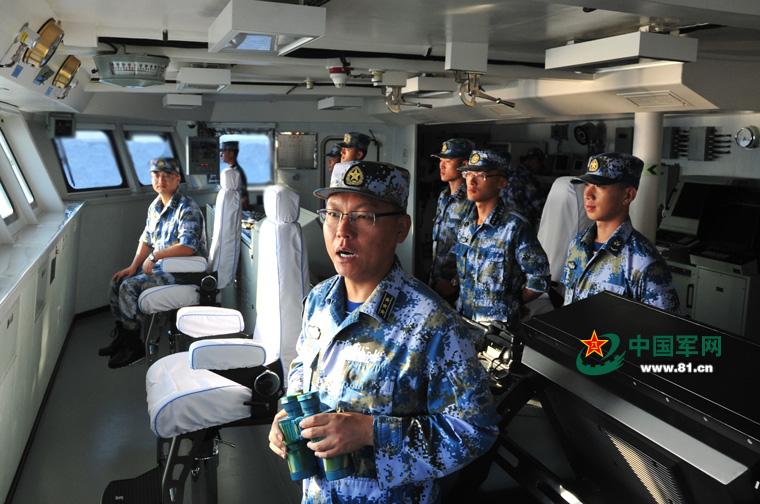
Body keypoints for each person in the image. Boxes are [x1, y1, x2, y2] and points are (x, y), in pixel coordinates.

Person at [267, 161, 498, 503]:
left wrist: (371, 432)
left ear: (401, 229)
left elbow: (475, 431)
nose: (343, 231)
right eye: (333, 213)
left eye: (363, 216)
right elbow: (304, 368)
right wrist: (288, 418)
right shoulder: (318, 300)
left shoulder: (432, 323)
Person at [99, 158, 206, 368]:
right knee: (118, 281)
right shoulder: (155, 206)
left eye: (167, 176)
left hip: (182, 272)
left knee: (129, 287)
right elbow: (146, 240)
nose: (161, 180)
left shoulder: (187, 208)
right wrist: (133, 267)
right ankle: (123, 337)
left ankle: (134, 347)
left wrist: (155, 256)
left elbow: (188, 247)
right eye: (156, 175)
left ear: (177, 179)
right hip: (159, 268)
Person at [562, 152, 680, 312]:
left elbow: (663, 324)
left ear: (627, 195)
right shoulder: (577, 245)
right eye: (587, 185)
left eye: (600, 186)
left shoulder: (643, 262)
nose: (588, 194)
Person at [454, 149, 551, 326]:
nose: (471, 181)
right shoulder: (466, 225)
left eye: (481, 175)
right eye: (468, 174)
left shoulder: (515, 227)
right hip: (465, 321)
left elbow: (539, 279)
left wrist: (510, 305)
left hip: (497, 328)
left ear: (501, 182)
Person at [429, 138, 475, 303]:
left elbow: (474, 247)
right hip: (437, 279)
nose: (441, 166)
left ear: (463, 164)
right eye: (440, 160)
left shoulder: (472, 200)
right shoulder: (444, 196)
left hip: (458, 287)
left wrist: (454, 282)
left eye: (447, 161)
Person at [501, 147, 547, 228]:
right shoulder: (527, 178)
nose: (540, 166)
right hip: (523, 222)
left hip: (506, 220)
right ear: (534, 160)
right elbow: (540, 204)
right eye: (539, 162)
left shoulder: (511, 173)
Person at [220, 140, 252, 211]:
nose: (221, 154)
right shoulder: (231, 171)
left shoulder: (236, 173)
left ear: (231, 153)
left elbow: (243, 199)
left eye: (224, 150)